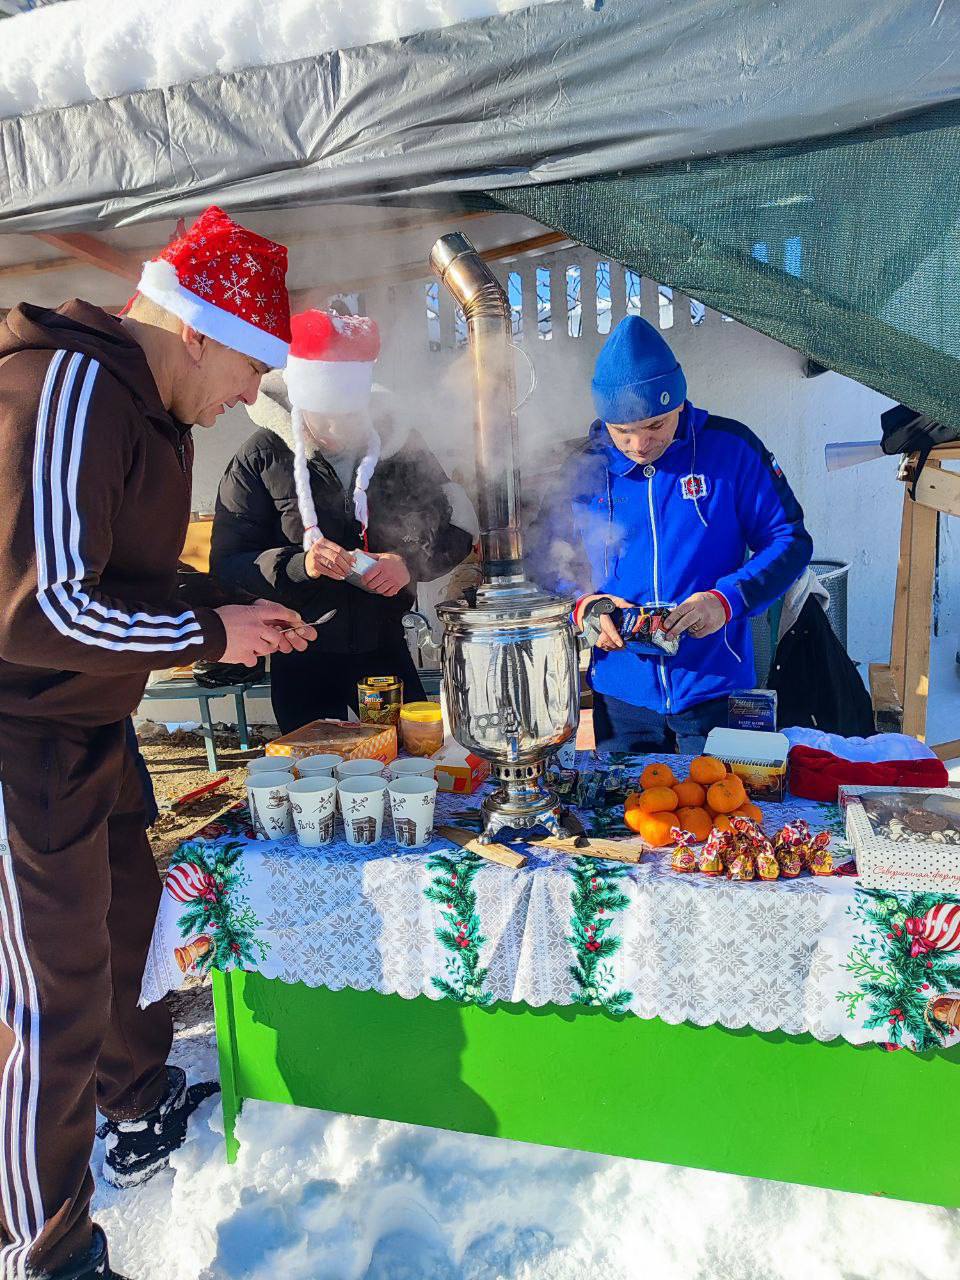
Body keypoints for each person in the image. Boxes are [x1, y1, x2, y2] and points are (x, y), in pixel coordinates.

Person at [0, 206, 317, 1280]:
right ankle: (42, 1249)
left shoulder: (148, 411)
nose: (246, 397)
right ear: (195, 328)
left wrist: (223, 607)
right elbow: (37, 607)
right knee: (45, 999)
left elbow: (124, 579)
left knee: (118, 936)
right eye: (249, 368)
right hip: (18, 740)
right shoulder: (65, 388)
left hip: (85, 727)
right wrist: (207, 632)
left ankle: (134, 1101)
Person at [528, 314, 813, 755]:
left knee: (723, 799)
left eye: (655, 426)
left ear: (679, 402)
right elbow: (544, 559)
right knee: (628, 801)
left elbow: (789, 540)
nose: (639, 445)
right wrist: (583, 606)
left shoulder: (731, 450)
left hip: (717, 687)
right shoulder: (585, 468)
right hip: (621, 695)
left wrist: (726, 600)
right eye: (622, 432)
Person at [211, 310, 477, 732]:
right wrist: (301, 565)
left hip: (384, 646)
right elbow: (228, 563)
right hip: (300, 650)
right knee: (314, 766)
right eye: (322, 415)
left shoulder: (400, 445)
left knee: (411, 755)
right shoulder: (261, 455)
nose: (336, 428)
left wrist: (409, 565)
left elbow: (457, 527)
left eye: (350, 414)